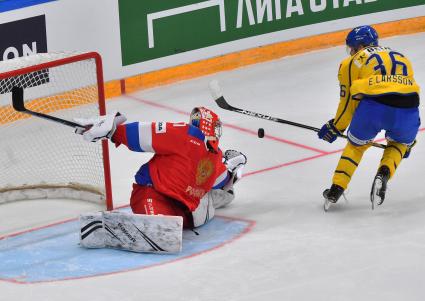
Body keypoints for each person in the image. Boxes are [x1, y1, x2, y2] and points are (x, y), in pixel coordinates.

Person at [76, 106, 247, 228]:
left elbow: (139, 134)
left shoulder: (213, 155)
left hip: (184, 210)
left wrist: (112, 130)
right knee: (160, 226)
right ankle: (111, 226)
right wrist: (112, 130)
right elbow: (141, 134)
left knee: (172, 225)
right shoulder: (190, 138)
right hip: (154, 195)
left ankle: (157, 223)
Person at [318, 25, 420, 210]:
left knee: (356, 146)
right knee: (398, 144)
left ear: (359, 46)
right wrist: (409, 141)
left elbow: (349, 100)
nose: (350, 51)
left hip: (374, 108)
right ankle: (384, 172)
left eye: (351, 47)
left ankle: (336, 189)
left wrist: (337, 127)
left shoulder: (351, 62)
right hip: (408, 109)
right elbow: (410, 93)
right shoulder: (400, 55)